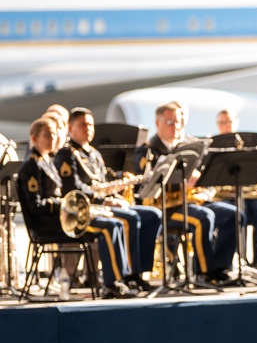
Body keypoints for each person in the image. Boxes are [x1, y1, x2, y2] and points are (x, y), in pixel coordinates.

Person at [18, 117, 137, 298]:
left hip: (62, 217)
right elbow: (36, 206)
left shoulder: (47, 161)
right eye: (47, 135)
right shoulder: (31, 166)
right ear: (34, 138)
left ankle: (121, 278)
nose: (53, 138)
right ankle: (112, 283)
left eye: (54, 134)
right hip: (49, 224)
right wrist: (66, 204)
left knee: (116, 222)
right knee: (109, 227)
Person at [55, 107, 162, 291]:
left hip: (105, 203)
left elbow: (105, 180)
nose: (88, 128)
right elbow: (72, 187)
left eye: (90, 124)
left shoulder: (94, 154)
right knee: (130, 218)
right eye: (82, 125)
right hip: (87, 209)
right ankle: (123, 276)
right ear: (70, 128)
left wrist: (119, 189)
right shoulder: (67, 154)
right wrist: (104, 200)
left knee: (152, 215)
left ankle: (139, 271)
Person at [135, 101, 240, 284]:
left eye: (178, 122)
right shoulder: (147, 150)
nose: (175, 126)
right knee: (203, 218)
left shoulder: (189, 146)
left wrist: (204, 190)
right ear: (157, 123)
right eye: (169, 122)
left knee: (234, 214)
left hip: (191, 201)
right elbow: (144, 187)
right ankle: (205, 273)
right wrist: (181, 185)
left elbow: (204, 180)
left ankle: (220, 267)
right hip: (166, 207)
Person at [213, 108, 257, 269]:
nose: (226, 126)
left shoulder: (246, 145)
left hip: (250, 195)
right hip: (225, 196)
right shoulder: (212, 146)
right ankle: (235, 259)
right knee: (236, 212)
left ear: (236, 123)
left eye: (229, 122)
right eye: (222, 123)